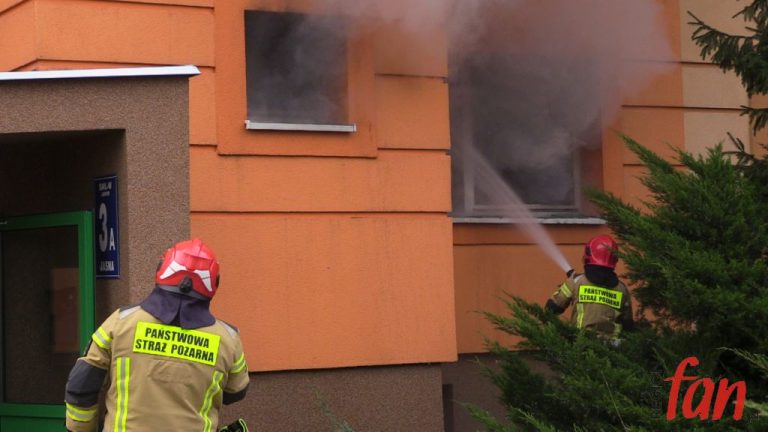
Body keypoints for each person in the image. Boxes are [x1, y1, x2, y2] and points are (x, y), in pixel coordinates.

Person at [64, 238, 249, 432]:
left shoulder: (121, 322)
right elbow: (236, 392)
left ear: (162, 270)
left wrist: (80, 429)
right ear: (214, 284)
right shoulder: (228, 339)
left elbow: (82, 385)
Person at [545, 234, 634, 340]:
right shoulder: (622, 289)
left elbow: (552, 308)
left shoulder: (577, 281)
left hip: (581, 343)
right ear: (614, 260)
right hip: (612, 350)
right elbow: (628, 324)